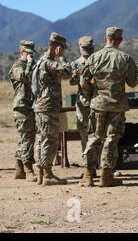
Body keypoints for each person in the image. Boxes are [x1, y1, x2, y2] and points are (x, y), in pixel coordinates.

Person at [79, 27, 138, 187]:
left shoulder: (94, 58)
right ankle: (106, 175)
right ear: (119, 40)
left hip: (98, 104)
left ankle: (88, 175)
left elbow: (84, 82)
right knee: (111, 140)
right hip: (117, 106)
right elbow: (133, 83)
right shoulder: (126, 58)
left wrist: (93, 94)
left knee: (94, 138)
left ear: (106, 39)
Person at [33, 33, 72, 185]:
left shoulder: (41, 61)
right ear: (56, 47)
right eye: (61, 49)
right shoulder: (49, 63)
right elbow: (67, 72)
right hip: (47, 107)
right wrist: (62, 59)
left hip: (42, 107)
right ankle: (47, 174)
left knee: (41, 139)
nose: (62, 51)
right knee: (50, 139)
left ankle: (42, 173)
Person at [9, 40, 38, 182]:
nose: (31, 56)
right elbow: (25, 78)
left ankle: (19, 168)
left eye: (32, 53)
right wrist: (30, 64)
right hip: (21, 107)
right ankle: (28, 168)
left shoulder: (31, 66)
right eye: (28, 53)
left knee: (27, 138)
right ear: (22, 52)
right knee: (27, 138)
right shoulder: (17, 67)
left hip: (31, 106)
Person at [70, 36, 95, 155]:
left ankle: (101, 164)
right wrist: (76, 75)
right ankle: (88, 165)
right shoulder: (75, 63)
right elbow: (71, 82)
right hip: (83, 103)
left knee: (99, 133)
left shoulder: (97, 60)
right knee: (84, 134)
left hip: (97, 102)